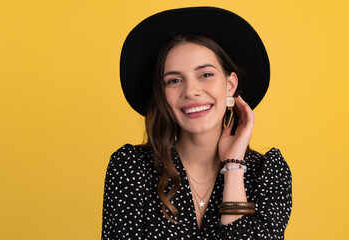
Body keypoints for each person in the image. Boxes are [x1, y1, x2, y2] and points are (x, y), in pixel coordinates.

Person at [102, 7, 292, 239]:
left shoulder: (268, 173)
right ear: (163, 95)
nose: (191, 91)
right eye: (174, 80)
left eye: (205, 75)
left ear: (230, 85)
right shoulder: (131, 168)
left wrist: (233, 167)